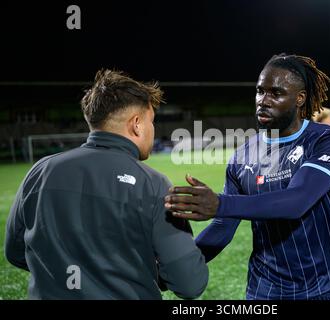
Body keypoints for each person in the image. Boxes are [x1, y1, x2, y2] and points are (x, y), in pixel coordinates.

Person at [4, 70, 208, 299]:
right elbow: (190, 283)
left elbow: (15, 252)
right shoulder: (152, 184)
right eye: (152, 121)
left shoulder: (40, 171)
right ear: (137, 124)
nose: (153, 129)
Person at [165, 54, 330, 300]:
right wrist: (177, 266)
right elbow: (223, 226)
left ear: (300, 99)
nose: (263, 101)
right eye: (260, 91)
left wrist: (220, 204)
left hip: (324, 289)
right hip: (264, 291)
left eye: (276, 93)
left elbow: (297, 200)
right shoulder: (243, 155)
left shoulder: (328, 141)